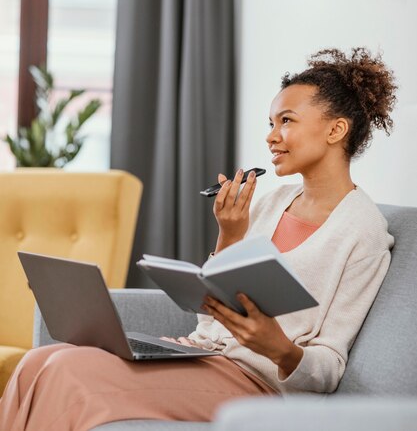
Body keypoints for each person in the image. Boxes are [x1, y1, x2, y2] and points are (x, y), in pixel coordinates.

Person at [0, 47, 397, 430]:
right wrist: (231, 233)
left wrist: (276, 346)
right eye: (271, 123)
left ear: (336, 129)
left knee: (71, 372)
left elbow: (329, 369)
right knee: (43, 360)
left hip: (259, 386)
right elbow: (210, 316)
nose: (272, 137)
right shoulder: (269, 201)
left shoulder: (363, 232)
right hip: (203, 356)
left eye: (287, 121)